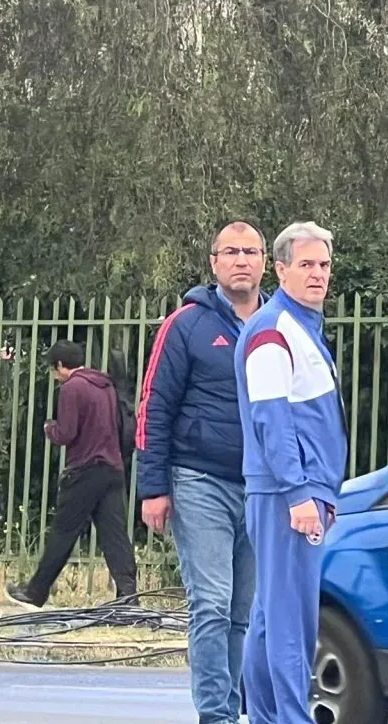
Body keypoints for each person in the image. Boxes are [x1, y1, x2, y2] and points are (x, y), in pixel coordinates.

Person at [135, 219, 268, 724]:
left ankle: (236, 708)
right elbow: (154, 406)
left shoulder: (278, 323)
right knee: (211, 604)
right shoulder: (186, 324)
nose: (241, 260)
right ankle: (215, 714)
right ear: (214, 263)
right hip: (199, 481)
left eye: (250, 251)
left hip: (260, 487)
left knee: (244, 612)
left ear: (264, 263)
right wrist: (153, 488)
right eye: (230, 251)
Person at [233, 221, 348, 724]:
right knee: (290, 621)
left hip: (294, 492)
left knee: (268, 617)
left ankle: (264, 717)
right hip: (287, 494)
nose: (317, 274)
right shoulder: (273, 330)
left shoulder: (295, 327)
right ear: (280, 270)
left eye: (323, 264)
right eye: (305, 264)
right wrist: (301, 492)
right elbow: (271, 416)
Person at [5, 339, 138, 609]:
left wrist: (49, 428)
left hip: (84, 471)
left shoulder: (72, 388)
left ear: (61, 366)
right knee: (115, 534)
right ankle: (128, 593)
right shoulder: (105, 386)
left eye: (54, 370)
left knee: (63, 532)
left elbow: (67, 432)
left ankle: (36, 592)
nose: (55, 376)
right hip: (112, 469)